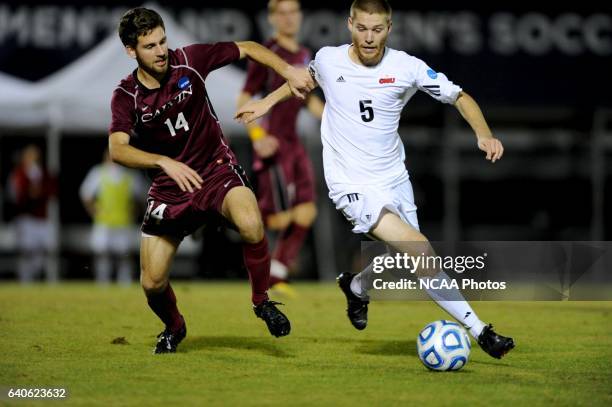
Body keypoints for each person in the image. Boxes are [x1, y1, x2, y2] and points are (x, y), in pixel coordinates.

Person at [236, 0, 514, 359]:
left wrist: (483, 133)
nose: (369, 38)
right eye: (362, 28)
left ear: (389, 28)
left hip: (394, 177)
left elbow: (459, 97)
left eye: (377, 29)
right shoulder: (328, 59)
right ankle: (481, 332)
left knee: (405, 258)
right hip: (350, 183)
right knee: (419, 250)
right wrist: (265, 105)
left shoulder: (407, 67)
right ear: (350, 24)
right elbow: (300, 81)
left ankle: (356, 287)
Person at [109, 7, 314, 354]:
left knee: (252, 223)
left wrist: (288, 72)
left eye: (162, 41)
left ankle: (262, 300)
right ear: (131, 51)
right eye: (150, 46)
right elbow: (117, 149)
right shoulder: (126, 96)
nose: (161, 51)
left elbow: (248, 46)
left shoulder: (189, 60)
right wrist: (162, 161)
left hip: (215, 170)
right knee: (152, 282)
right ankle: (174, 327)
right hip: (170, 189)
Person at [237, 0, 324, 296]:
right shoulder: (269, 53)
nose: (289, 18)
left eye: (293, 12)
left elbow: (308, 99)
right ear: (272, 18)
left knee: (307, 211)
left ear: (301, 16)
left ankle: (277, 272)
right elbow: (244, 99)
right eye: (282, 13)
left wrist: (337, 120)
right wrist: (258, 136)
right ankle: (215, 216)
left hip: (294, 144)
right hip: (273, 143)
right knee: (274, 217)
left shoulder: (303, 54)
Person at [80, 148, 146, 285]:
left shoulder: (130, 175)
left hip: (123, 222)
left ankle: (124, 283)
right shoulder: (98, 173)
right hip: (104, 222)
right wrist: (94, 211)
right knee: (102, 254)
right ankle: (103, 282)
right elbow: (85, 194)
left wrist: (135, 211)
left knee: (124, 255)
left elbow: (142, 196)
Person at [7, 144, 56, 283]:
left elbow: (51, 190)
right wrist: (28, 193)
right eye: (30, 154)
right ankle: (25, 280)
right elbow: (13, 195)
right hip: (26, 217)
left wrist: (39, 193)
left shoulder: (43, 172)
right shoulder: (19, 173)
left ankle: (38, 277)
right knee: (26, 250)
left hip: (41, 217)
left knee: (42, 251)